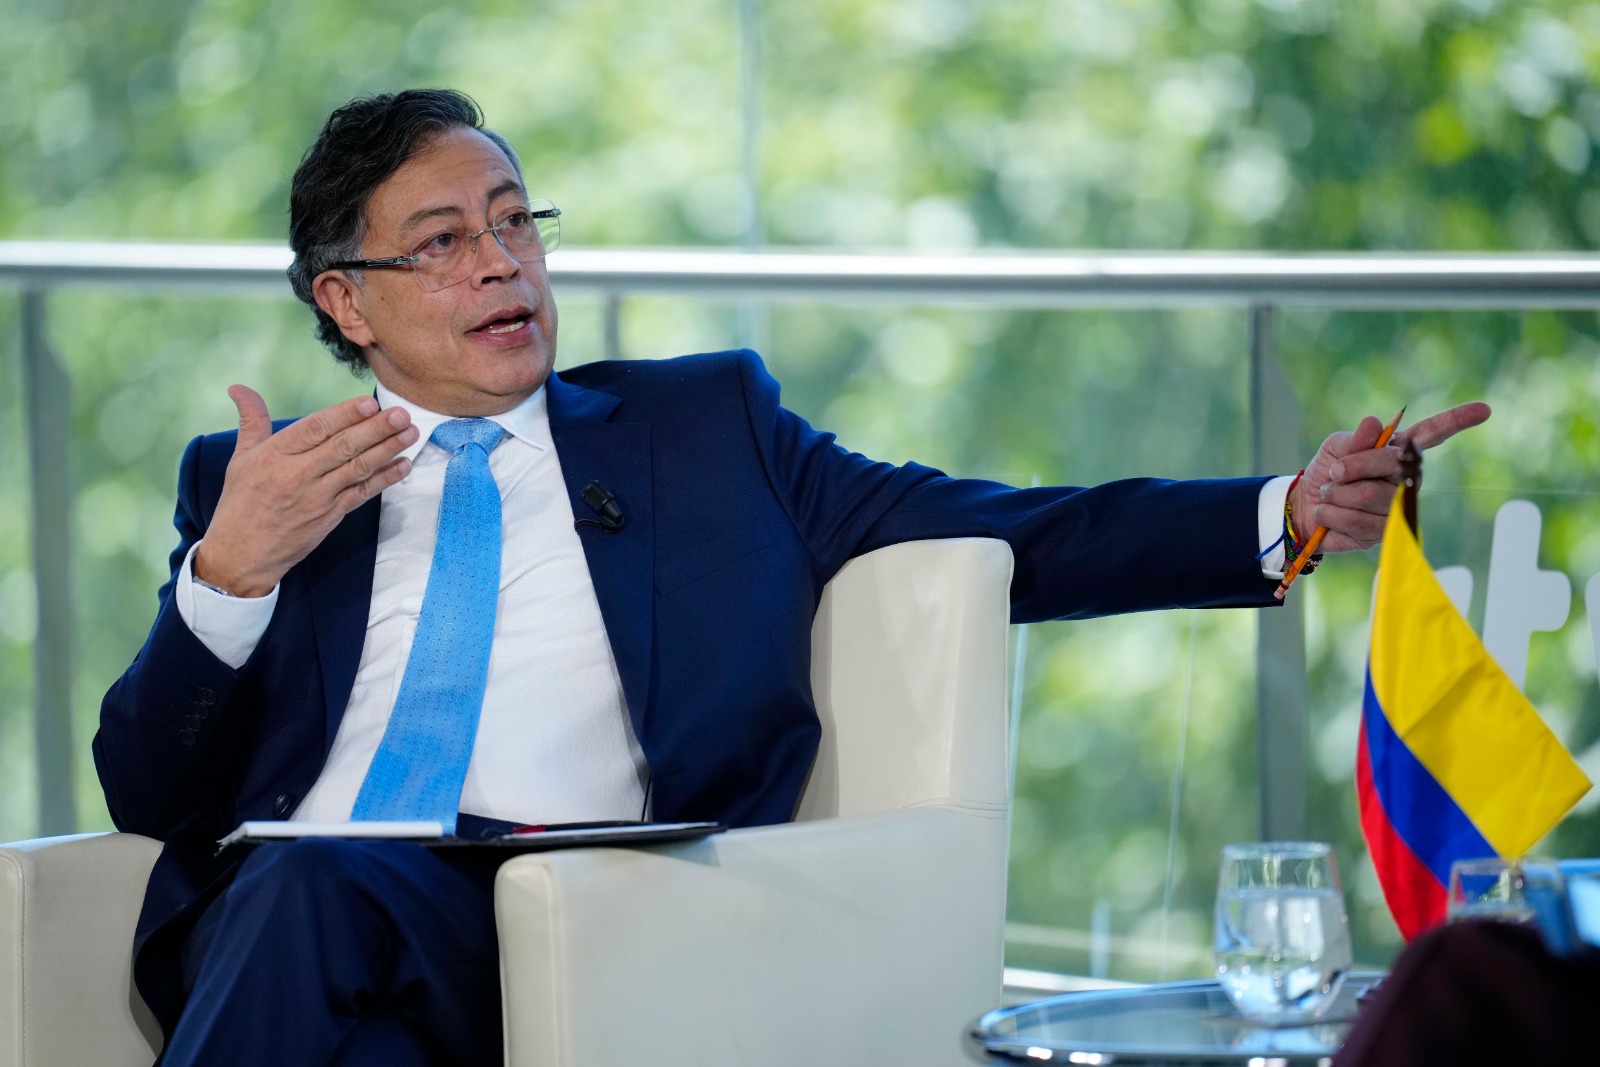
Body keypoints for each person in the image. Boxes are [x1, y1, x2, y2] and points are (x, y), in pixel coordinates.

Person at [94, 89, 1490, 1066]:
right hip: (317, 938)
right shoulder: (258, 484)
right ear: (344, 300)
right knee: (324, 948)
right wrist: (231, 572)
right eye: (445, 240)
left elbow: (1004, 529)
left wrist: (1281, 509)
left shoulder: (704, 432)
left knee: (305, 899)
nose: (502, 264)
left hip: (582, 906)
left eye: (515, 221)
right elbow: (151, 797)